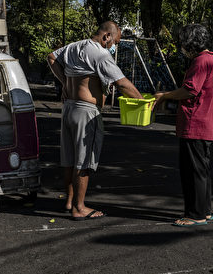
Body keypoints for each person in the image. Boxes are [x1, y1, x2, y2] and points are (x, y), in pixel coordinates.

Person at [47, 21, 143, 220]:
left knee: (70, 159)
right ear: (107, 36)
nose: (113, 46)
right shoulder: (100, 53)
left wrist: (65, 83)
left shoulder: (75, 46)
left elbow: (51, 57)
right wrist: (144, 101)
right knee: (84, 161)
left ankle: (69, 201)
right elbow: (122, 83)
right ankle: (79, 208)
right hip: (86, 111)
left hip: (69, 108)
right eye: (114, 41)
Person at [153, 24, 213, 227]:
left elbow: (190, 90)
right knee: (201, 170)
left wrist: (165, 95)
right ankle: (204, 210)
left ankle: (195, 214)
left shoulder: (201, 61)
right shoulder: (208, 59)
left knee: (193, 171)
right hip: (203, 123)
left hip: (196, 123)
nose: (181, 46)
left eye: (183, 42)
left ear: (191, 43)